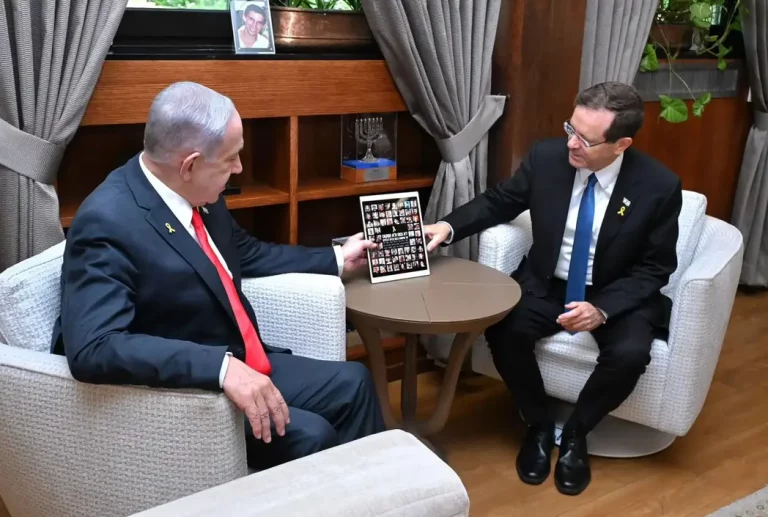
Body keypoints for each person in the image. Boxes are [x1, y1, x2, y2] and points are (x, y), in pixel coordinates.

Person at [50, 81, 386, 471]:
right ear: (190, 165)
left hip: (244, 357)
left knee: (355, 384)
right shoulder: (107, 222)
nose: (239, 168)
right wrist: (221, 368)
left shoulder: (197, 193)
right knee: (313, 435)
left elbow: (247, 252)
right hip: (188, 390)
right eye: (231, 159)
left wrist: (336, 258)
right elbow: (95, 347)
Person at [423, 81, 682, 496]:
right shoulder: (547, 158)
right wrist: (447, 226)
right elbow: (499, 201)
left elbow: (656, 267)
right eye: (570, 128)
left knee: (631, 353)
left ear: (621, 144)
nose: (572, 144)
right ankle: (540, 423)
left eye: (585, 139)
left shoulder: (658, 186)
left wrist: (602, 310)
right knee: (504, 329)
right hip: (549, 282)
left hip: (615, 292)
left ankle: (578, 433)